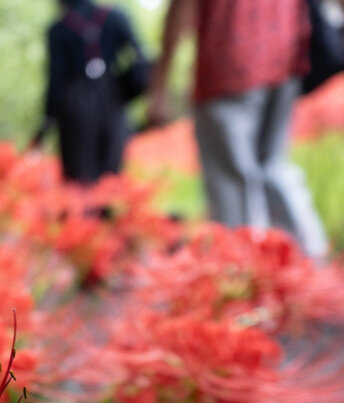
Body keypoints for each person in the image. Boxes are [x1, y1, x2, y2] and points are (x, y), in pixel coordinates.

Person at [147, 0, 329, 260]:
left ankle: (245, 275)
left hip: (228, 65)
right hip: (284, 58)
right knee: (273, 166)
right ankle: (311, 259)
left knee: (231, 182)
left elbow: (182, 10)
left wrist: (159, 85)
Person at [32, 0, 149, 185]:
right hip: (112, 97)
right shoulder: (115, 16)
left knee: (79, 174)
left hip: (74, 103)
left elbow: (55, 81)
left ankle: (83, 211)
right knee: (111, 170)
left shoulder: (58, 29)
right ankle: (107, 210)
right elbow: (140, 55)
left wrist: (48, 121)